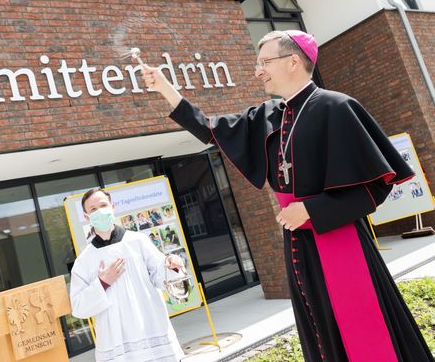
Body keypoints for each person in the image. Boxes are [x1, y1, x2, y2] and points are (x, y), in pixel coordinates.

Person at [142, 30, 433, 362]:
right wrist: (165, 88)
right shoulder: (268, 114)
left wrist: (310, 209)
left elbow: (375, 187)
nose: (257, 70)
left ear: (293, 61)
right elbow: (210, 129)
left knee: (361, 329)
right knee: (320, 326)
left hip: (337, 236)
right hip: (298, 241)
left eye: (264, 61)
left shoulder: (337, 107)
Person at [70, 189, 185, 362]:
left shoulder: (138, 241)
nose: (100, 211)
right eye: (93, 209)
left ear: (113, 207)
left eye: (103, 205)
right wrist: (102, 283)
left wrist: (171, 264)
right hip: (115, 339)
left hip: (150, 326)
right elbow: (78, 307)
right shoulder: (84, 260)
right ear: (87, 217)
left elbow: (161, 274)